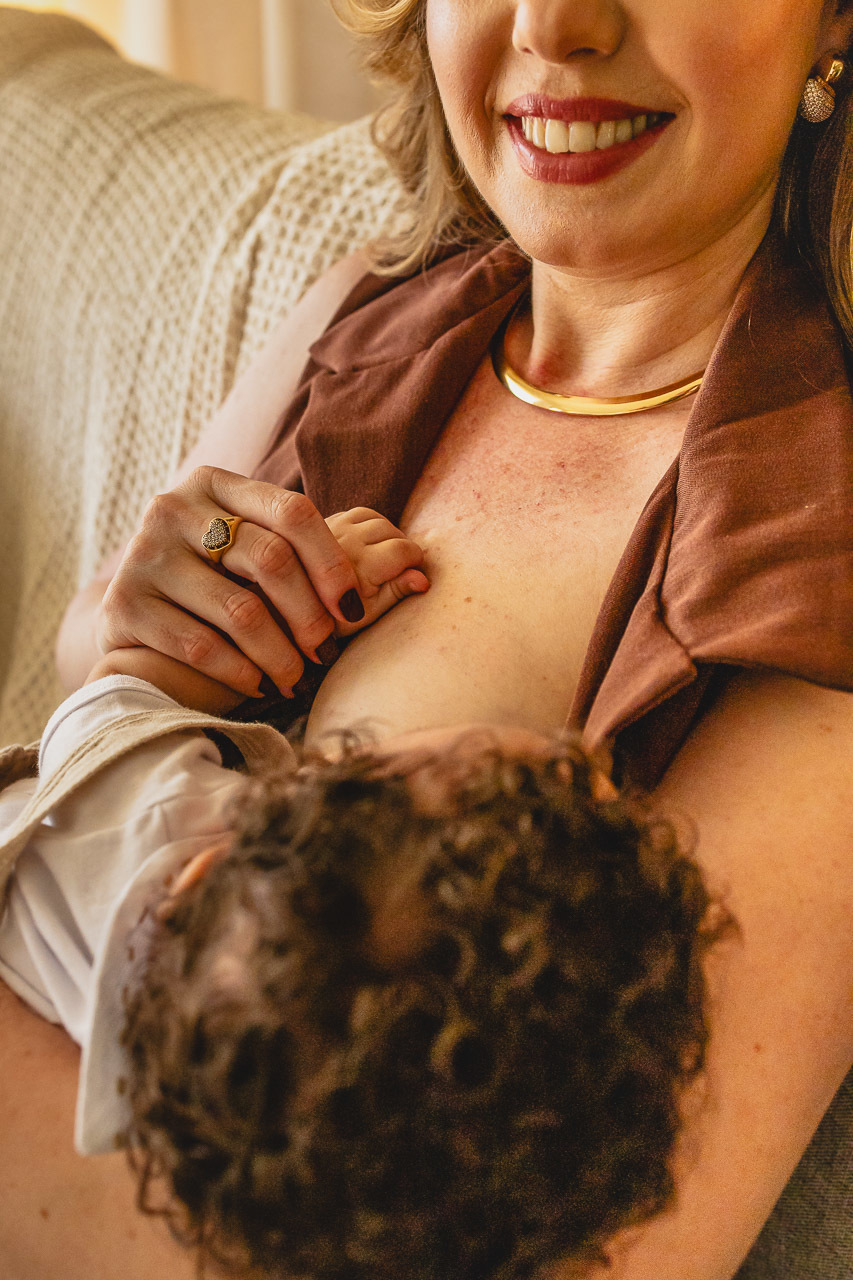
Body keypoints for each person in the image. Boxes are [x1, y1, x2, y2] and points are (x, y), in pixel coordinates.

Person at [2, 2, 852, 1278]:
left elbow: (563, 1244)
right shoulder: (378, 299)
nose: (559, 23)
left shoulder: (813, 541)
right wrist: (126, 623)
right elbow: (100, 685)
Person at [0, 621, 735, 1280]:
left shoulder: (144, 789)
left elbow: (110, 688)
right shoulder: (240, 1138)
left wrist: (232, 650)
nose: (583, 767)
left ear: (201, 872)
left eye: (511, 780)